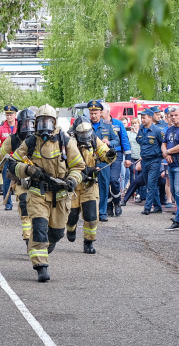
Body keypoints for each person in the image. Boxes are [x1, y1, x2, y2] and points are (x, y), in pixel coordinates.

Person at [5, 104, 85, 282]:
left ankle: (45, 248)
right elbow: (12, 164)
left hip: (61, 196)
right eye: (41, 122)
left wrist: (72, 180)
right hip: (38, 193)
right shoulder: (31, 142)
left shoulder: (66, 141)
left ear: (55, 122)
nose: (44, 126)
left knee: (56, 234)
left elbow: (79, 167)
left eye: (48, 121)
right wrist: (28, 170)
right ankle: (41, 266)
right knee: (39, 228)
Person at [67, 117, 116, 253]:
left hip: (89, 184)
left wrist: (109, 154)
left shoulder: (94, 140)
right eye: (82, 134)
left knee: (91, 216)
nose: (85, 137)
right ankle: (70, 228)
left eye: (87, 133)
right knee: (71, 215)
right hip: (73, 186)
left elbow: (103, 152)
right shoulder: (68, 142)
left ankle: (88, 242)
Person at [0, 108, 36, 245]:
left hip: (39, 179)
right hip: (21, 180)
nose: (27, 128)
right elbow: (0, 155)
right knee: (24, 203)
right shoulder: (12, 139)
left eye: (30, 124)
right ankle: (27, 237)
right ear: (19, 125)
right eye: (24, 124)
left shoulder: (41, 139)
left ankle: (42, 236)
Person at [86, 101, 119, 222]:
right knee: (87, 187)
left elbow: (116, 140)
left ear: (100, 113)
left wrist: (109, 143)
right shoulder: (85, 125)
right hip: (89, 161)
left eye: (95, 113)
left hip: (103, 161)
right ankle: (90, 212)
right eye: (91, 113)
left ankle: (102, 212)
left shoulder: (107, 125)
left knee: (104, 187)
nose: (93, 115)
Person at [101, 106, 130, 217]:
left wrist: (128, 157)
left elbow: (124, 140)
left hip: (116, 155)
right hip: (103, 156)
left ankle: (117, 202)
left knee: (114, 180)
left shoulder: (118, 124)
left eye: (101, 111)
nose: (99, 113)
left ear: (108, 111)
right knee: (105, 181)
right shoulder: (100, 125)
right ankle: (108, 206)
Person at [137, 108, 165, 215]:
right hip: (144, 160)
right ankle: (157, 207)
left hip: (155, 160)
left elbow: (163, 143)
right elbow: (138, 140)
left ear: (150, 118)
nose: (142, 120)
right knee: (149, 184)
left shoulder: (157, 130)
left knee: (151, 184)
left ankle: (147, 207)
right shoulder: (141, 129)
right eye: (141, 118)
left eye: (144, 118)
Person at [0, 105, 19, 209]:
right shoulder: (1, 128)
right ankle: (8, 204)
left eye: (11, 114)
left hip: (20, 159)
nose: (9, 116)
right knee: (6, 182)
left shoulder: (21, 126)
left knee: (23, 182)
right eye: (7, 114)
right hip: (7, 159)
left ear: (15, 115)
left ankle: (23, 203)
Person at [122, 117, 144, 205]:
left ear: (139, 124)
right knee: (132, 174)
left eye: (136, 123)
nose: (134, 125)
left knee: (140, 175)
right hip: (132, 156)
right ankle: (132, 192)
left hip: (140, 156)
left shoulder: (141, 133)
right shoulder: (128, 133)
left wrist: (137, 132)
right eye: (133, 123)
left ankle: (139, 193)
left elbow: (142, 142)